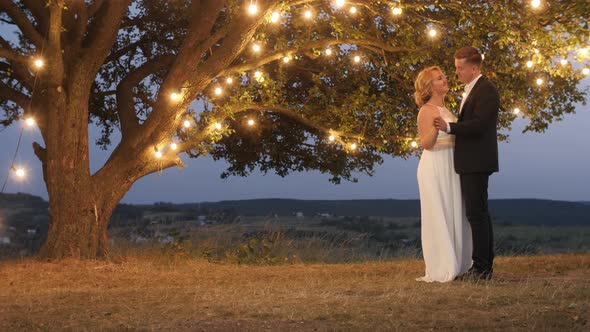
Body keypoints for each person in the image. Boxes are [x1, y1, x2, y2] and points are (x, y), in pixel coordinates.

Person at [434, 46, 500, 281]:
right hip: (471, 161)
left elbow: (479, 124)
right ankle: (482, 266)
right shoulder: (472, 90)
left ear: (474, 68)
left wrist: (449, 127)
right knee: (478, 213)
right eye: (456, 68)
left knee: (477, 214)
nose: (457, 72)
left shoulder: (486, 90)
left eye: (460, 68)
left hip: (477, 161)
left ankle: (482, 269)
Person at [414, 66, 472, 283]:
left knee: (455, 211)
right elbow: (426, 144)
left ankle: (460, 262)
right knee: (439, 212)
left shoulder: (448, 109)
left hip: (452, 164)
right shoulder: (426, 111)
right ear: (430, 87)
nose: (445, 80)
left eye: (444, 77)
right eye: (440, 78)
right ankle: (443, 265)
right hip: (435, 165)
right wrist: (437, 129)